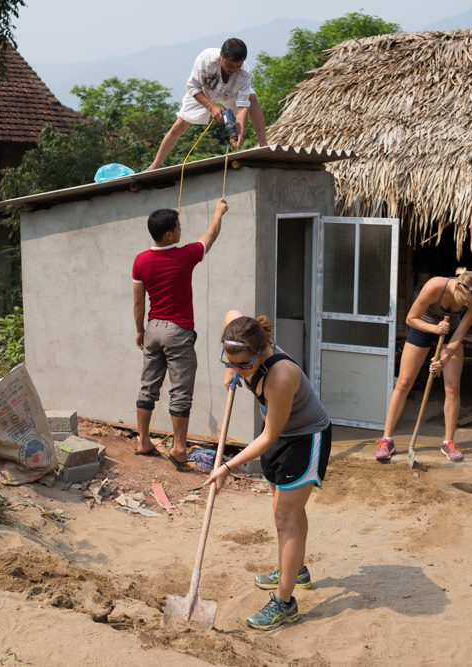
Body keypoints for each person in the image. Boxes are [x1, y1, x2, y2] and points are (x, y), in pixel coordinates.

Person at [205, 311, 332, 630]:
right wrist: (230, 370)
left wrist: (227, 466)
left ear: (261, 351)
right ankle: (296, 571)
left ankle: (285, 604)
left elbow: (268, 436)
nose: (237, 369)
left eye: (243, 364)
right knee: (288, 510)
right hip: (281, 433)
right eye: (229, 360)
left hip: (305, 438)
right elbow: (231, 315)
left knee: (283, 517)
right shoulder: (239, 339)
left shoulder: (280, 376)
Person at [132, 199, 228, 470]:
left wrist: (140, 330)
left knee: (147, 388)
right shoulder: (185, 255)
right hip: (179, 332)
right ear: (169, 235)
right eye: (179, 227)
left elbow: (139, 303)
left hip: (152, 329)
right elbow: (212, 234)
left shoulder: (140, 260)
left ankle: (143, 442)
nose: (182, 230)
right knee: (180, 393)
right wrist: (218, 212)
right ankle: (179, 449)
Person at [377, 268, 472, 463]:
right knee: (403, 383)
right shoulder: (434, 286)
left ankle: (448, 442)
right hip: (423, 327)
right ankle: (387, 441)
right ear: (457, 287)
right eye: (463, 300)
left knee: (453, 387)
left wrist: (443, 360)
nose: (465, 304)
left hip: (450, 333)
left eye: (469, 303)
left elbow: (460, 333)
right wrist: (434, 328)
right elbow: (410, 319)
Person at [145, 38, 268, 171]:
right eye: (229, 65)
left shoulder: (245, 72)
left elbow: (243, 106)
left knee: (252, 98)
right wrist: (212, 107)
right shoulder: (205, 59)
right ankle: (154, 165)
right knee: (179, 125)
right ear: (221, 56)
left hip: (231, 93)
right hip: (204, 92)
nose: (233, 69)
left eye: (237, 66)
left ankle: (264, 145)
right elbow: (192, 87)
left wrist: (239, 133)